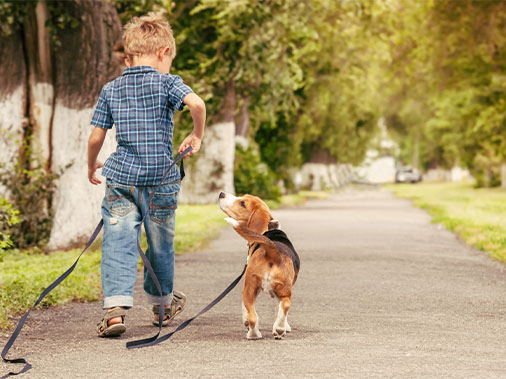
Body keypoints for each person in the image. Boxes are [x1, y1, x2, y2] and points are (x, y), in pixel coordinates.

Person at [87, 13, 206, 337]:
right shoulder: (168, 82)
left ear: (130, 53)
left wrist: (91, 164)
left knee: (118, 242)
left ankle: (114, 313)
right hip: (161, 181)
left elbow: (96, 136)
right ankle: (162, 307)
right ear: (163, 51)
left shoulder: (111, 89)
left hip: (122, 181)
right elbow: (196, 104)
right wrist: (196, 135)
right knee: (160, 245)